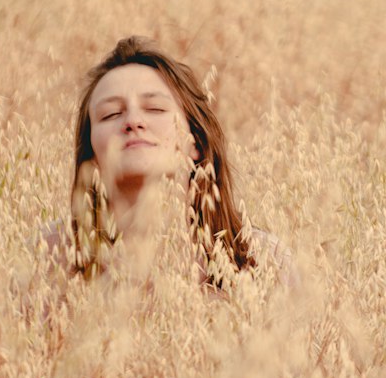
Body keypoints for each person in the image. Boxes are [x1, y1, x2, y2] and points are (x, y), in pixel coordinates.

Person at [41, 35, 290, 291]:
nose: (133, 121)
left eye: (155, 109)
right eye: (111, 114)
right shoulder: (49, 260)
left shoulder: (264, 262)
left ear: (196, 142)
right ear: (91, 154)